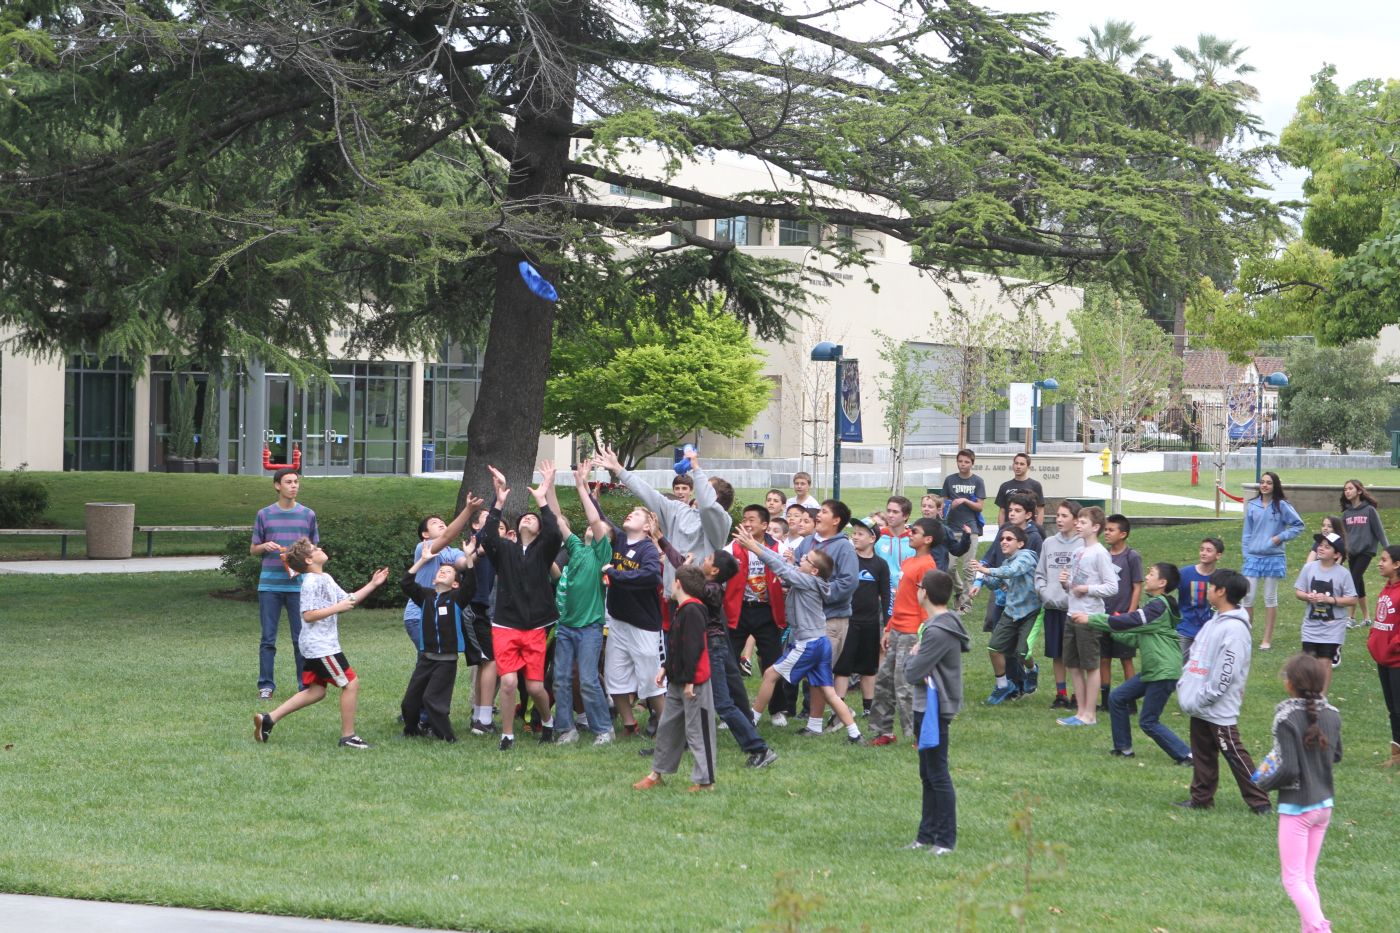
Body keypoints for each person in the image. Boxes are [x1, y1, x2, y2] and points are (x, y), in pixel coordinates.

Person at [252, 537, 387, 749]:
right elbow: (308, 615)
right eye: (315, 548)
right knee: (351, 684)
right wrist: (337, 608)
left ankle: (268, 719)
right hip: (321, 647)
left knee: (317, 691)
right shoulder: (310, 583)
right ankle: (348, 737)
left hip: (320, 645)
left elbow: (348, 600)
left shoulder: (325, 577)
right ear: (308, 560)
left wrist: (372, 584)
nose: (321, 548)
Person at [737, 525, 864, 744]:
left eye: (806, 559)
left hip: (808, 644)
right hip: (820, 641)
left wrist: (755, 549)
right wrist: (754, 543)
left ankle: (751, 721)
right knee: (828, 690)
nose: (801, 559)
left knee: (769, 675)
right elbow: (778, 558)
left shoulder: (807, 581)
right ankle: (854, 734)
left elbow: (781, 568)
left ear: (814, 570)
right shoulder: (809, 577)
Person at [1253, 654, 1342, 933]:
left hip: (1298, 808)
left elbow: (1289, 769)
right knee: (1306, 876)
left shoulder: (1286, 717)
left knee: (1293, 880)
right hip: (1324, 805)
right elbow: (1336, 755)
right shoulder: (1333, 714)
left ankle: (1321, 928)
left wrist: (1263, 784)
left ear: (1290, 684)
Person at [1175, 569, 1271, 813]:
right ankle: (1201, 798)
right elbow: (1197, 656)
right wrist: (1188, 686)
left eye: (1211, 586)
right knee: (1202, 753)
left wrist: (1208, 695)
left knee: (1234, 753)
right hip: (1200, 702)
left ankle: (1260, 802)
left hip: (1217, 704)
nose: (1208, 590)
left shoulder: (1235, 629)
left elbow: (1227, 669)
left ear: (1222, 591)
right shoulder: (1213, 621)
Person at [480, 462, 562, 750]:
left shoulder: (543, 550)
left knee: (536, 687)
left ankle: (548, 722)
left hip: (536, 626)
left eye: (532, 518)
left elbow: (555, 534)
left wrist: (542, 500)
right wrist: (498, 502)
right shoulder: (505, 550)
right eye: (524, 517)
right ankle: (507, 735)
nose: (527, 519)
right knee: (509, 683)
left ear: (539, 529)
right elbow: (487, 537)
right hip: (505, 624)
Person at [1074, 562, 1191, 764]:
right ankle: (1123, 748)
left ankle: (1187, 755)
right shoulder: (1156, 606)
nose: (1147, 577)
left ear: (1162, 582)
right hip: (1154, 670)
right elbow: (1135, 637)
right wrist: (1109, 631)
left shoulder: (1157, 606)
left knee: (1148, 721)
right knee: (1117, 698)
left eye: (1151, 574)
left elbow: (1130, 621)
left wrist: (1093, 619)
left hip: (1163, 672)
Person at [547, 461, 618, 746]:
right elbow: (557, 519)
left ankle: (603, 728)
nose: (593, 529)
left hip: (589, 627)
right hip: (566, 626)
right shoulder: (577, 548)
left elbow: (594, 520)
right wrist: (548, 486)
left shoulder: (602, 554)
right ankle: (566, 729)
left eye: (600, 529)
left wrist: (581, 486)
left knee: (588, 679)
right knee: (560, 678)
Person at [633, 565, 719, 791]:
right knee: (667, 727)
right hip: (678, 680)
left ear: (679, 583)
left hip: (694, 683)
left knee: (698, 730)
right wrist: (666, 668)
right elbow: (677, 645)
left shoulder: (694, 610)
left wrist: (690, 680)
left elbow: (694, 647)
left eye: (672, 581)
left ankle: (705, 781)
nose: (670, 585)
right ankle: (656, 774)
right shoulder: (682, 609)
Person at [901, 569, 969, 854]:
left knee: (937, 773)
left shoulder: (938, 630)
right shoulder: (937, 625)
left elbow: (913, 673)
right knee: (927, 773)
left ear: (924, 593)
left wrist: (912, 656)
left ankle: (945, 840)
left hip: (933, 708)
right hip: (925, 706)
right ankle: (925, 835)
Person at [599, 443, 733, 585]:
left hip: (700, 595)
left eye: (707, 487)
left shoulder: (722, 522)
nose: (701, 488)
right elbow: (648, 493)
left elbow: (707, 506)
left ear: (716, 498)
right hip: (672, 594)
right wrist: (619, 470)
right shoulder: (679, 510)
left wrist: (695, 467)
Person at [701, 548, 778, 768]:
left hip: (711, 648)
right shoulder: (707, 585)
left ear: (714, 570)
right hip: (702, 648)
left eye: (707, 559)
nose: (703, 559)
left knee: (723, 703)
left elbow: (685, 578)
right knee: (682, 699)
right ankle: (673, 746)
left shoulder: (710, 589)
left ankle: (759, 748)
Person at [398, 541, 481, 742]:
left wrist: (469, 557)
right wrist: (423, 560)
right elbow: (406, 583)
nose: (443, 572)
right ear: (434, 578)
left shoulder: (457, 598)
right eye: (441, 570)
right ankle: (411, 731)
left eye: (448, 572)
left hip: (446, 660)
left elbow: (471, 584)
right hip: (426, 659)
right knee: (410, 702)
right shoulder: (425, 596)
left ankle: (447, 737)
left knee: (433, 700)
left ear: (455, 583)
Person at [870, 518, 941, 745]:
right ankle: (884, 732)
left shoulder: (927, 566)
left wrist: (922, 637)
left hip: (912, 633)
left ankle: (918, 736)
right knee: (883, 681)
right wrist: (888, 628)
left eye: (915, 532)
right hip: (897, 629)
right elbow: (902, 599)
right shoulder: (909, 562)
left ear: (928, 540)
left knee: (905, 686)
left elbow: (927, 604)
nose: (910, 534)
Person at [250, 468, 319, 699]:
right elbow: (253, 549)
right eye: (288, 482)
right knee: (268, 638)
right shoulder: (264, 514)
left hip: (299, 586)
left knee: (300, 638)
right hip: (269, 586)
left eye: (296, 482)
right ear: (277, 485)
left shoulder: (308, 514)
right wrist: (264, 547)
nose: (293, 486)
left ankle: (304, 685)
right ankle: (266, 686)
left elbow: (315, 550)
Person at [792, 499, 860, 726]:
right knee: (809, 672)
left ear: (836, 520)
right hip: (807, 620)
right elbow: (796, 571)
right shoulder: (807, 543)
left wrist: (817, 594)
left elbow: (848, 582)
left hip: (832, 619)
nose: (817, 515)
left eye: (823, 512)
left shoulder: (844, 547)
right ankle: (839, 714)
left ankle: (820, 722)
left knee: (820, 674)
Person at [724, 504, 790, 723]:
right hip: (739, 610)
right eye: (744, 519)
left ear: (765, 525)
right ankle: (731, 711)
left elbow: (788, 570)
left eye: (752, 520)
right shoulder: (733, 546)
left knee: (773, 660)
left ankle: (777, 709)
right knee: (729, 661)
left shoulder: (778, 547)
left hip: (767, 611)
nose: (747, 524)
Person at [1058, 506, 1118, 727]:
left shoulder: (1100, 553)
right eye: (1078, 521)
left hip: (1090, 616)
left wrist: (1087, 589)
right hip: (1072, 613)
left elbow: (1112, 587)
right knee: (1072, 664)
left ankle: (1090, 714)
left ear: (1095, 527)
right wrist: (1065, 583)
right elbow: (1072, 587)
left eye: (1082, 522)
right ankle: (1080, 712)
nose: (1077, 525)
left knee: (1090, 665)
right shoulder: (1077, 552)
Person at [972, 524, 1039, 704]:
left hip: (1030, 611)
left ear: (1020, 543)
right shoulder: (1005, 562)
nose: (1003, 542)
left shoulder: (1026, 557)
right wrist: (981, 580)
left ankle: (1032, 671)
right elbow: (995, 582)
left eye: (1009, 539)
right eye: (1001, 539)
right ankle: (1002, 685)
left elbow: (1012, 572)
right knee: (994, 648)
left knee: (1022, 653)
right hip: (1011, 611)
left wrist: (987, 570)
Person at [1242, 471, 1306, 651]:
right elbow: (1247, 533)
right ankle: (1245, 636)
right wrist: (1246, 554)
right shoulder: (1252, 505)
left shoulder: (1282, 505)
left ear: (1274, 485)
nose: (1264, 485)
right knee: (1248, 597)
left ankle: (1267, 639)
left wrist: (1280, 537)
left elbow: (1298, 526)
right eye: (1262, 482)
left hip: (1273, 557)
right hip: (1253, 558)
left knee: (1270, 598)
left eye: (1268, 483)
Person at [836, 519, 889, 717]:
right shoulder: (848, 560)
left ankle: (869, 707)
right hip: (847, 621)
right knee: (843, 666)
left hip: (870, 623)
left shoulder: (880, 565)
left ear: (872, 538)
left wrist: (888, 625)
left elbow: (886, 595)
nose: (855, 537)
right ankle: (839, 707)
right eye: (854, 533)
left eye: (860, 533)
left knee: (869, 668)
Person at [1035, 500, 1083, 710]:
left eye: (1065, 516)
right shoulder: (1049, 543)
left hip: (1075, 608)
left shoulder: (1084, 544)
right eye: (1058, 516)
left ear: (1075, 520)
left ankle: (1077, 694)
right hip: (1053, 606)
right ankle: (1061, 693)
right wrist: (1044, 592)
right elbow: (1040, 573)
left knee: (1076, 653)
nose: (1059, 520)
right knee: (1057, 653)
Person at [1294, 532, 1356, 691]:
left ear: (1336, 554)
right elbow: (1298, 592)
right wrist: (1308, 596)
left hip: (1333, 627)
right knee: (1308, 662)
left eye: (1327, 547)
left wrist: (1331, 600)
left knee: (1325, 662)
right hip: (1311, 625)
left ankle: (1321, 697)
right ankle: (1307, 695)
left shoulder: (1343, 574)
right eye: (1320, 545)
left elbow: (1352, 599)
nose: (1321, 549)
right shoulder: (1308, 568)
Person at [1099, 514, 1143, 711]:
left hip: (1123, 616)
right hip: (1103, 616)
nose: (1106, 533)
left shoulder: (1131, 556)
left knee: (1126, 659)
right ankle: (1105, 700)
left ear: (1123, 534)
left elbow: (1136, 587)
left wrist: (1130, 615)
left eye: (1111, 530)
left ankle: (1131, 700)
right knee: (1104, 658)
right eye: (1106, 529)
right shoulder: (1102, 554)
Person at [1367, 543, 1400, 767]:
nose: (1379, 563)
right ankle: (1396, 756)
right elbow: (1380, 621)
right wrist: (1373, 641)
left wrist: (1391, 647)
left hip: (1396, 660)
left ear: (1397, 565)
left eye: (1385, 560)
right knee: (1393, 709)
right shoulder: (1386, 589)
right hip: (1383, 660)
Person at [941, 449, 985, 611]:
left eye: (966, 462)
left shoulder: (977, 481)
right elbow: (943, 505)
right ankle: (959, 591)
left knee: (968, 568)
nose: (963, 465)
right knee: (949, 566)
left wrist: (965, 501)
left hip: (970, 528)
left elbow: (980, 506)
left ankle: (966, 604)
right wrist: (947, 506)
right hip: (951, 529)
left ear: (972, 463)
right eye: (960, 461)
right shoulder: (949, 480)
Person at [1341, 479, 1387, 627]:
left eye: (1350, 488)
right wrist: (1342, 552)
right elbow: (1343, 535)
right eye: (1345, 489)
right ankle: (1367, 618)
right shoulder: (1347, 513)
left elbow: (1379, 532)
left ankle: (1351, 617)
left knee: (1353, 580)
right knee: (1358, 583)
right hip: (1351, 553)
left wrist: (1388, 550)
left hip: (1366, 551)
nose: (1347, 491)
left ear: (1359, 491)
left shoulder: (1369, 510)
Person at [1178, 537, 1223, 661]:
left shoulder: (1221, 577)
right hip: (1185, 628)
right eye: (1202, 549)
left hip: (1210, 630)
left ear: (1218, 555)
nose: (1203, 553)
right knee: (1178, 665)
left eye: (1209, 550)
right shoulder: (1184, 573)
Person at [873, 495, 915, 613]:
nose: (890, 515)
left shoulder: (913, 540)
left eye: (895, 512)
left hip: (905, 597)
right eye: (889, 511)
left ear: (905, 516)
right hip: (879, 596)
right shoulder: (877, 537)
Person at [994, 452, 1045, 529]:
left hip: (1028, 530)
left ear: (1028, 467)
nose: (1018, 466)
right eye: (1016, 463)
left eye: (1022, 464)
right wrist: (1001, 530)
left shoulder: (1035, 485)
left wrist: (1038, 529)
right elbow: (1002, 512)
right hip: (1010, 529)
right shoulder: (1005, 486)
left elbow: (1040, 510)